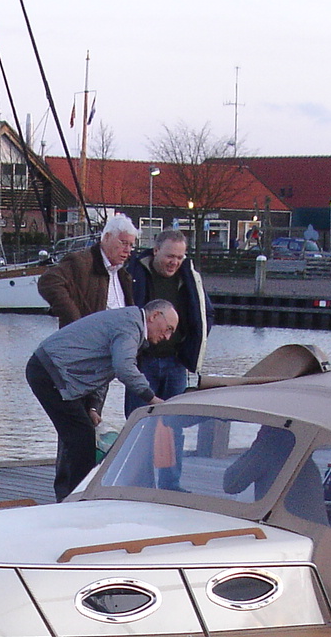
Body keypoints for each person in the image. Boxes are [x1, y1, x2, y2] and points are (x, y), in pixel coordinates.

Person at [26, 300, 180, 499]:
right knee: (81, 438)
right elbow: (123, 368)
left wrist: (93, 407)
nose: (167, 337)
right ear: (155, 316)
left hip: (62, 375)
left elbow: (101, 370)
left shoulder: (129, 324)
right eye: (168, 329)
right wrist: (152, 398)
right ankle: (78, 498)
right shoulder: (130, 326)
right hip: (51, 373)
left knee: (77, 436)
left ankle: (70, 495)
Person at [122, 228, 211, 412]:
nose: (174, 262)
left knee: (174, 420)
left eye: (179, 257)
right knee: (139, 418)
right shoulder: (134, 275)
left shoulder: (190, 279)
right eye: (170, 256)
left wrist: (190, 345)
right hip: (142, 362)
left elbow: (205, 314)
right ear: (156, 251)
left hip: (176, 361)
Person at [37, 213, 140, 325]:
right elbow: (48, 281)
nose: (127, 250)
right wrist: (74, 319)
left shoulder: (123, 275)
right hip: (88, 335)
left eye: (131, 245)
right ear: (107, 237)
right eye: (124, 243)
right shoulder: (81, 262)